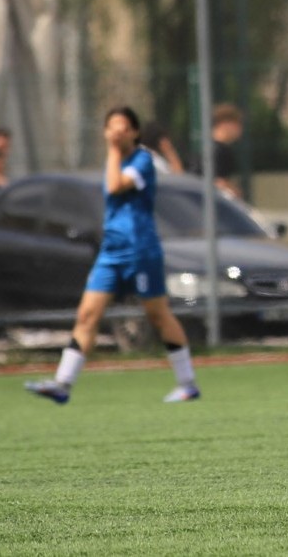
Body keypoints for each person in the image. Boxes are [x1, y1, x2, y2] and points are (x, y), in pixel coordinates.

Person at [25, 106, 200, 405]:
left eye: (123, 127)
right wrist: (113, 152)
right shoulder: (114, 159)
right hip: (111, 252)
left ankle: (187, 384)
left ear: (134, 132)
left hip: (140, 251)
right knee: (87, 315)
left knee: (158, 315)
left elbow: (116, 186)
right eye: (111, 127)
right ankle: (63, 384)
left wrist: (113, 150)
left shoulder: (142, 160)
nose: (117, 132)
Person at [210, 103, 244, 199]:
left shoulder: (205, 146)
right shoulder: (221, 151)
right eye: (237, 124)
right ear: (225, 124)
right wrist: (234, 192)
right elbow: (219, 182)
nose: (240, 129)